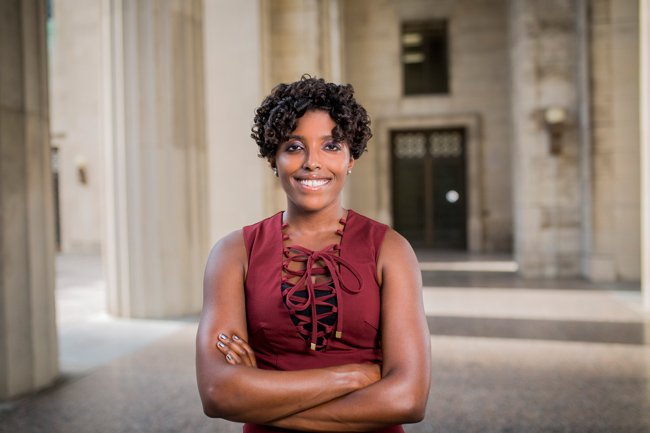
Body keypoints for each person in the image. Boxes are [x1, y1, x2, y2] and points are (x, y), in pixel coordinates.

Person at [196, 75, 431, 433]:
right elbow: (217, 393)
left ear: (351, 157)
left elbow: (407, 399)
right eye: (293, 146)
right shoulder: (234, 253)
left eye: (331, 146)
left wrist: (258, 396)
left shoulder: (391, 250)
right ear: (273, 159)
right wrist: (351, 377)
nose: (312, 162)